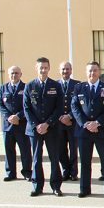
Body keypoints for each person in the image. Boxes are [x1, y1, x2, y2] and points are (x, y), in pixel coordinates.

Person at [71, 61, 104, 198]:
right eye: (90, 71)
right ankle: (84, 189)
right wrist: (85, 124)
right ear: (86, 72)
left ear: (99, 72)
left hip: (102, 131)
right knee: (85, 162)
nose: (92, 73)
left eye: (95, 70)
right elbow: (75, 107)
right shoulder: (79, 87)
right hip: (84, 131)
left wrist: (97, 123)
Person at [22, 57, 65, 197]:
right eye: (41, 67)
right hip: (35, 129)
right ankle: (37, 186)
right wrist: (36, 125)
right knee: (36, 159)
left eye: (45, 67)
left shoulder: (55, 85)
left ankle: (56, 186)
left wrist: (47, 123)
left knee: (54, 158)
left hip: (51, 128)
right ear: (36, 68)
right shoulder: (29, 86)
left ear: (49, 68)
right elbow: (26, 108)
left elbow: (59, 108)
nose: (43, 70)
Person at [0, 65, 32, 182]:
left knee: (25, 151)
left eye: (16, 73)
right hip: (8, 126)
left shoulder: (26, 87)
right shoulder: (3, 88)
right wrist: (9, 117)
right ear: (9, 75)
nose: (14, 75)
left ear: (21, 74)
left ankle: (27, 172)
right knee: (9, 150)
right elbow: (0, 104)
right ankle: (10, 173)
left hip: (21, 125)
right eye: (12, 73)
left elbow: (28, 105)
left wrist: (18, 116)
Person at [57, 61, 81, 182]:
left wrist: (70, 117)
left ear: (71, 70)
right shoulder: (54, 85)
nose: (65, 71)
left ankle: (73, 172)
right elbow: (52, 105)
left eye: (67, 69)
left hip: (73, 123)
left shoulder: (78, 85)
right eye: (63, 69)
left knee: (73, 149)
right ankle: (65, 170)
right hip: (59, 123)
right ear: (59, 71)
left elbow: (79, 105)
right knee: (61, 149)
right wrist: (61, 118)